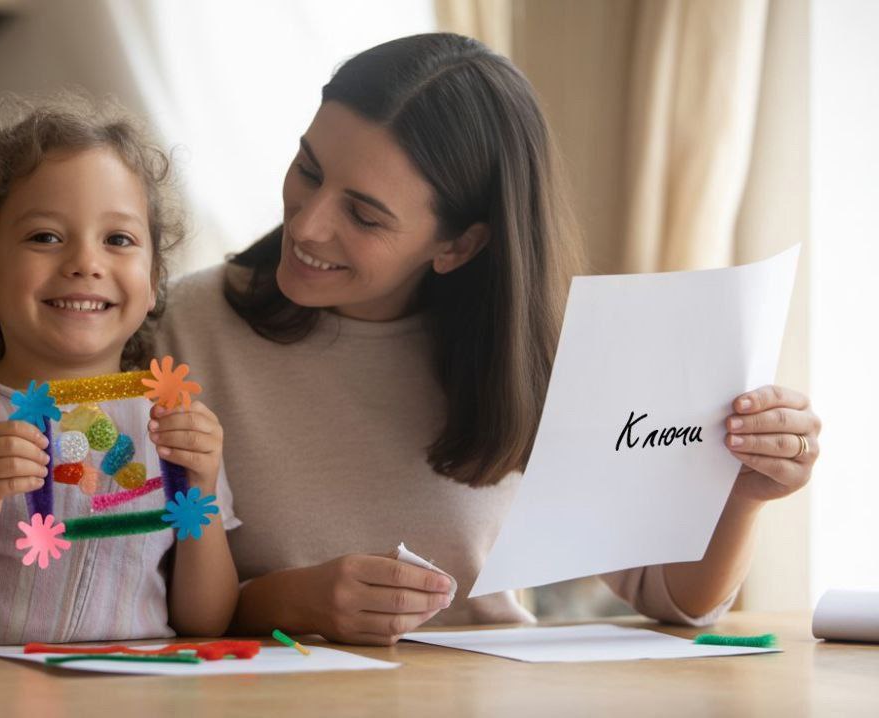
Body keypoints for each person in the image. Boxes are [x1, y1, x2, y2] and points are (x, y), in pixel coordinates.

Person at [156, 33, 821, 645]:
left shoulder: (535, 356)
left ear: (460, 245)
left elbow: (676, 599)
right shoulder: (183, 327)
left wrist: (744, 490)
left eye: (363, 215)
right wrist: (285, 602)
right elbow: (132, 594)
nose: (307, 226)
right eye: (308, 169)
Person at [0, 97, 239, 646]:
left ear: (152, 283)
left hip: (134, 690)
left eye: (118, 240)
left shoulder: (176, 428)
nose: (85, 262)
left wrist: (202, 491)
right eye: (46, 237)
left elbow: (207, 621)